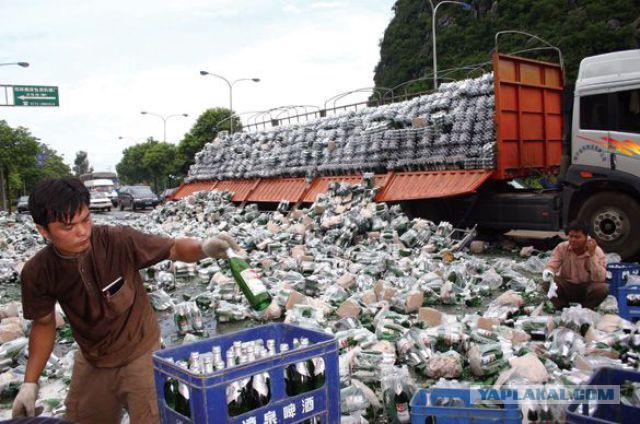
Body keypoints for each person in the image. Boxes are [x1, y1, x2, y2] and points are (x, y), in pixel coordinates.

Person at [12, 178, 241, 423]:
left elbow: (172, 249)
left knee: (152, 417)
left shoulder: (118, 241)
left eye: (86, 220)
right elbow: (44, 324)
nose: (82, 232)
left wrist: (204, 247)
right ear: (43, 230)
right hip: (93, 359)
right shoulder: (38, 271)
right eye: (68, 227)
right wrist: (30, 383)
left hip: (140, 352)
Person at [542, 220, 608, 310]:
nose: (573, 240)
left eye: (577, 237)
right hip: (567, 286)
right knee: (547, 283)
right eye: (571, 236)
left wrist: (592, 256)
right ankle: (562, 309)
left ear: (586, 237)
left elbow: (600, 278)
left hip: (586, 288)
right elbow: (552, 264)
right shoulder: (562, 247)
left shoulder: (596, 251)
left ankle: (586, 310)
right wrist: (548, 272)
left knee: (602, 288)